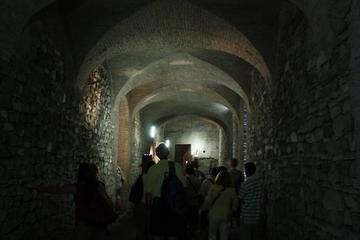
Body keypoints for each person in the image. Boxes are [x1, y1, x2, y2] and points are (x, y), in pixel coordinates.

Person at [36, 163, 117, 240]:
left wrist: (40, 188)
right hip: (99, 224)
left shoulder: (76, 188)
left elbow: (57, 190)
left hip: (83, 223)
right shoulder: (99, 186)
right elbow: (109, 203)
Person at [144, 143, 187, 240]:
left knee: (157, 235)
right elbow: (184, 188)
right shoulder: (177, 167)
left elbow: (148, 193)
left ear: (157, 155)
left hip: (158, 205)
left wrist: (148, 210)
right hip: (174, 205)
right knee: (172, 234)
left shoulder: (152, 169)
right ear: (168, 153)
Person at [199, 170, 238, 240]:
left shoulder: (213, 187)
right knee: (224, 236)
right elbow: (236, 203)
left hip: (213, 215)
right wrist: (232, 212)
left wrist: (201, 209)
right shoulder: (231, 190)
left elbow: (208, 201)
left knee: (212, 236)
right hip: (226, 215)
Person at [130, 154, 155, 240]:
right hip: (150, 207)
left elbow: (133, 188)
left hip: (139, 205)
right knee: (148, 230)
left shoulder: (141, 177)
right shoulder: (155, 179)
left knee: (139, 229)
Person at [239, 162, 263, 240]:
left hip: (247, 216)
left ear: (245, 171)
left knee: (246, 236)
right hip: (257, 215)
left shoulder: (244, 185)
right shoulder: (260, 183)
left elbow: (240, 199)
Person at [185, 164, 201, 238]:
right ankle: (192, 233)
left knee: (187, 219)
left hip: (186, 202)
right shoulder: (197, 180)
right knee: (193, 219)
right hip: (195, 202)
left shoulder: (184, 179)